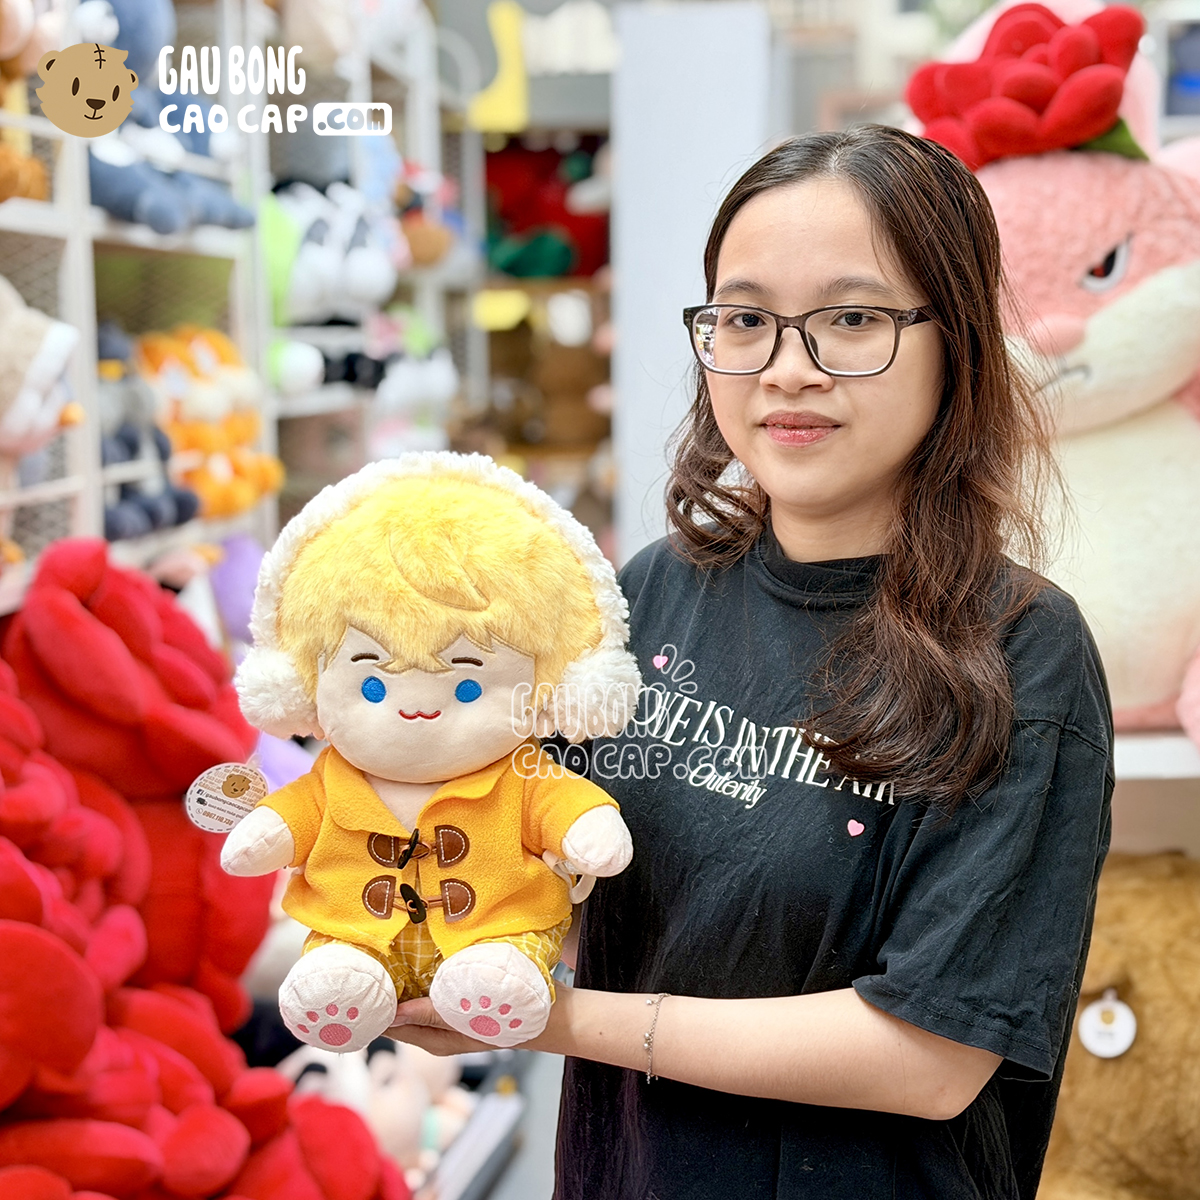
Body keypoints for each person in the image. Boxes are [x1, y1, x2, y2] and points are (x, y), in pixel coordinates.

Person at [388, 125, 1114, 1200]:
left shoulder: (1021, 652)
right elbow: (533, 852)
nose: (787, 370)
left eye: (853, 319)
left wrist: (549, 1018)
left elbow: (928, 1056)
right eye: (745, 319)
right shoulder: (651, 590)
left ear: (955, 340)